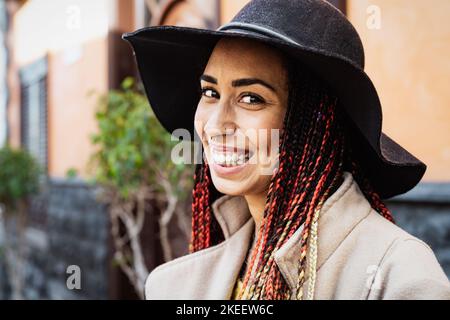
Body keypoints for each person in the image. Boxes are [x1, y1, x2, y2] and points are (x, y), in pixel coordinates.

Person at [124, 0, 450, 299]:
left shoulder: (396, 276)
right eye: (210, 92)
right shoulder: (178, 286)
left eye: (251, 98)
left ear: (314, 124)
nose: (215, 124)